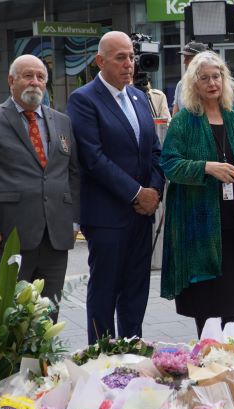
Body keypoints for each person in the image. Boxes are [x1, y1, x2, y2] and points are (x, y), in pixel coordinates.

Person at [160, 52, 234, 336]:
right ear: (194, 83)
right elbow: (169, 164)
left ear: (224, 80)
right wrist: (206, 167)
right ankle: (211, 359)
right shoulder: (183, 121)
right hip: (202, 229)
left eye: (217, 76)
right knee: (209, 306)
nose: (212, 83)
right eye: (205, 78)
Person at [0, 55, 81, 318]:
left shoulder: (62, 121)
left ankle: (41, 362)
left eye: (41, 77)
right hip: (9, 236)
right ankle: (14, 362)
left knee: (48, 316)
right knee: (7, 316)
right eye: (28, 76)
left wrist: (74, 221)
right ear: (11, 80)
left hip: (55, 237)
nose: (35, 82)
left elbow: (73, 174)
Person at [67, 31, 165, 343]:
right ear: (100, 61)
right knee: (106, 290)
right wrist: (138, 193)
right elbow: (93, 158)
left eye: (131, 57)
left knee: (136, 288)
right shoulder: (83, 99)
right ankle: (102, 359)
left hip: (141, 215)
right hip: (107, 216)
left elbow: (154, 151)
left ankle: (133, 351)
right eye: (120, 58)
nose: (129, 64)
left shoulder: (138, 97)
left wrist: (154, 192)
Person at [173, 41, 208, 115]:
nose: (184, 62)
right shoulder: (181, 84)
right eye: (184, 58)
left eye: (188, 58)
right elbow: (176, 113)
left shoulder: (213, 84)